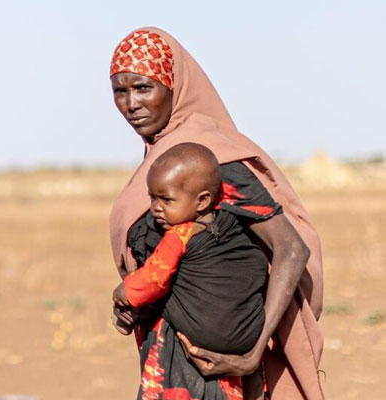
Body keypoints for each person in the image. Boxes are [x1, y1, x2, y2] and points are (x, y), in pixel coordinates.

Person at [107, 28, 324, 400]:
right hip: (169, 362)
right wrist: (134, 309)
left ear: (175, 87)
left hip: (222, 373)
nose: (131, 104)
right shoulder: (165, 164)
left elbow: (291, 248)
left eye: (144, 88)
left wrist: (253, 352)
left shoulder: (210, 160)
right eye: (120, 91)